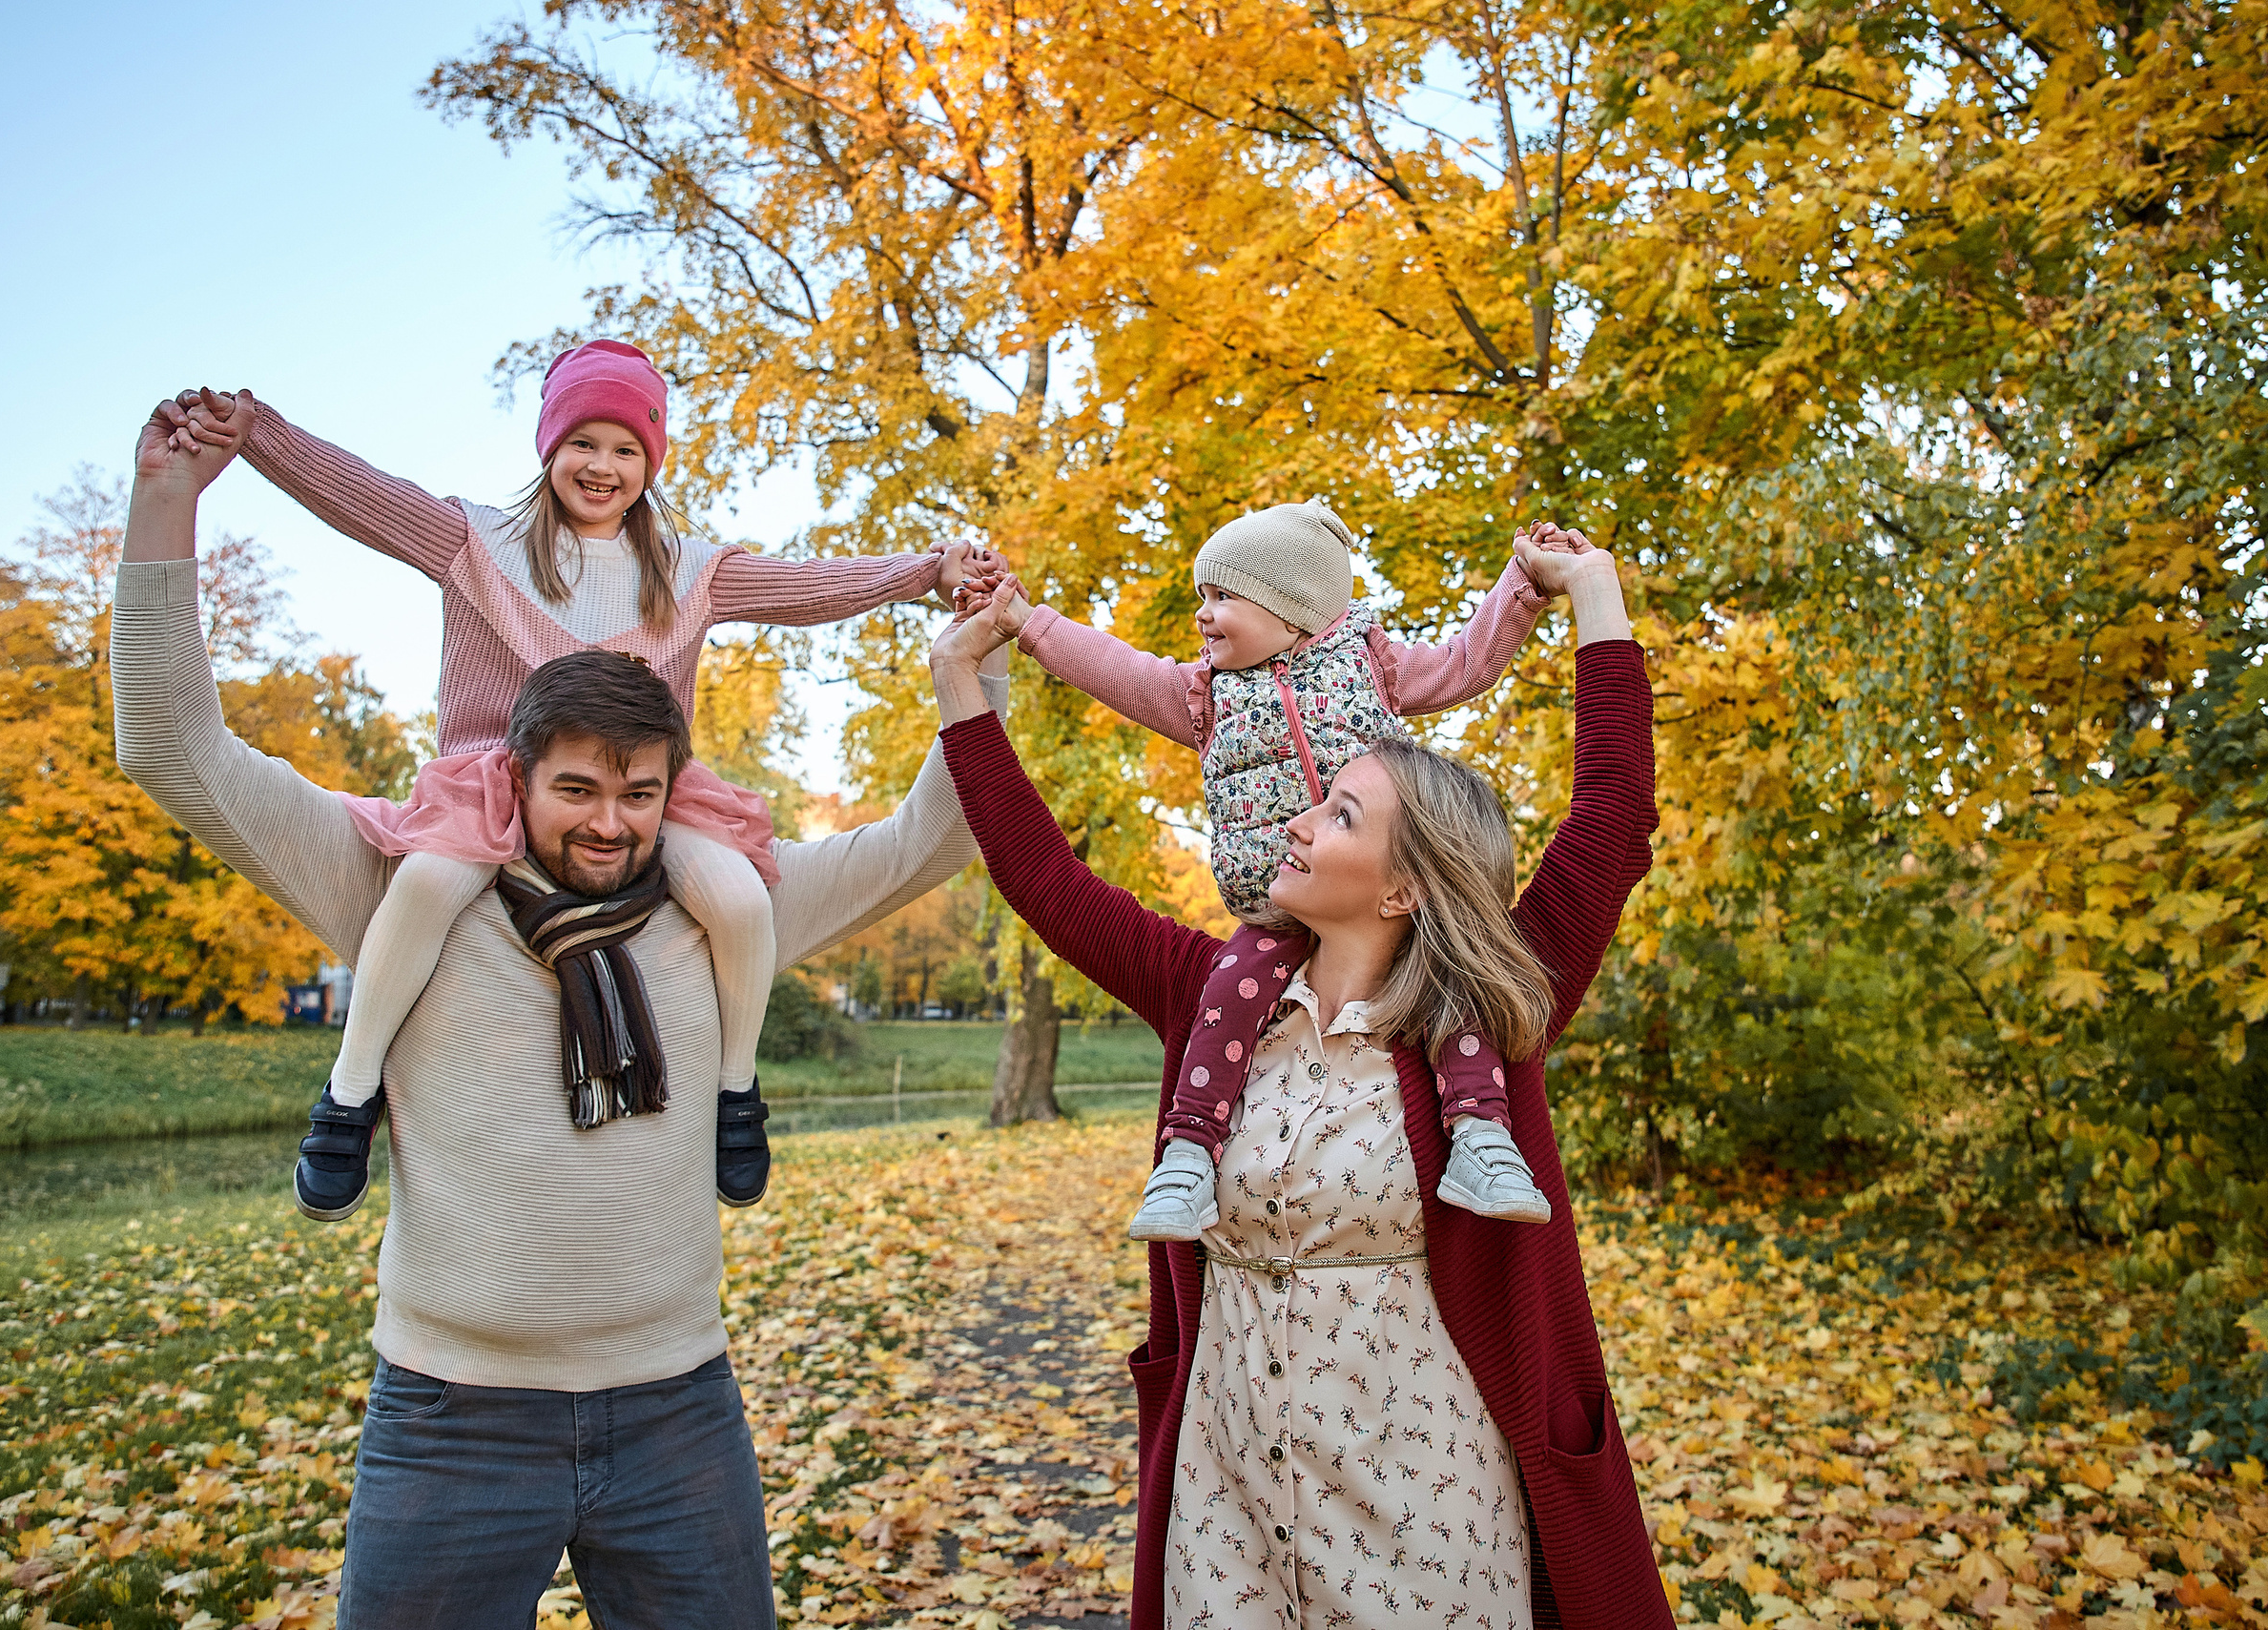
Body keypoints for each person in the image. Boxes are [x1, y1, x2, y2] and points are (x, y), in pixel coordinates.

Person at [113, 400, 1009, 1629]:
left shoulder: (721, 905)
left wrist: (972, 661)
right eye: (575, 788)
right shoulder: (401, 890)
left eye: (638, 793)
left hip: (679, 1415)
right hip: (449, 1420)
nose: (608, 823)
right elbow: (177, 748)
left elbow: (931, 841)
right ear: (512, 776)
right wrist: (169, 499)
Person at [929, 539, 1669, 1630]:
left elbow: (1608, 819)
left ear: (1406, 884)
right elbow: (1043, 877)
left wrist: (1594, 598)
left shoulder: (1489, 1011)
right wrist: (960, 685)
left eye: (1340, 814)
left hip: (1423, 1511)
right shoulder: (1207, 995)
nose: (1294, 817)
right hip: (1226, 1509)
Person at [158, 352, 987, 1221]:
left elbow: (809, 586)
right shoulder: (479, 542)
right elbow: (360, 495)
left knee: (741, 898)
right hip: (495, 778)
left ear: (651, 462)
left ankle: (734, 1093)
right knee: (429, 883)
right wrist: (256, 434)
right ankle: (351, 1089)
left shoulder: (689, 570)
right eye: (582, 442)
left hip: (641, 791)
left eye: (627, 449)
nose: (602, 466)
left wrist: (922, 572)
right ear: (549, 445)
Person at [980, 501, 1577, 1240]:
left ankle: (1482, 1139)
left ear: (1292, 612)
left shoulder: (1372, 665)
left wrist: (1523, 583)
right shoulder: (1206, 697)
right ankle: (1190, 1154)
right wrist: (1029, 624)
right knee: (1226, 997)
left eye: (1223, 596)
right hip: (1275, 902)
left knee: (1454, 987)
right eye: (1203, 595)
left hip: (1382, 897)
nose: (1204, 614)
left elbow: (1465, 661)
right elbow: (1118, 670)